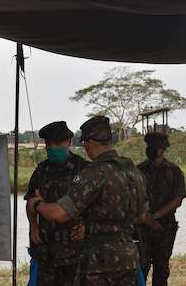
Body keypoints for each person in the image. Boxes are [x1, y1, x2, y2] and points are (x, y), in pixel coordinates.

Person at [28, 116, 149, 285]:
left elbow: (59, 214)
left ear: (87, 142)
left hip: (98, 261)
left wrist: (37, 204)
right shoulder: (133, 171)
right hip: (127, 257)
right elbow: (143, 216)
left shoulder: (93, 172)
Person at [25, 121, 89, 286]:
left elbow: (97, 206)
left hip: (76, 251)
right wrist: (33, 226)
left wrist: (87, 226)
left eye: (58, 143)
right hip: (47, 251)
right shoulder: (41, 171)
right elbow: (31, 202)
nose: (53, 147)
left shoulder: (84, 169)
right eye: (49, 144)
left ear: (68, 142)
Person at [136, 131, 186, 286]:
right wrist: (146, 219)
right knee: (140, 270)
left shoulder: (174, 171)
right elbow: (132, 199)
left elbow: (178, 199)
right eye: (149, 145)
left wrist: (155, 216)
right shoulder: (138, 170)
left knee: (161, 271)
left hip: (164, 228)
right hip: (141, 228)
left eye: (155, 146)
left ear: (163, 148)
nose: (151, 149)